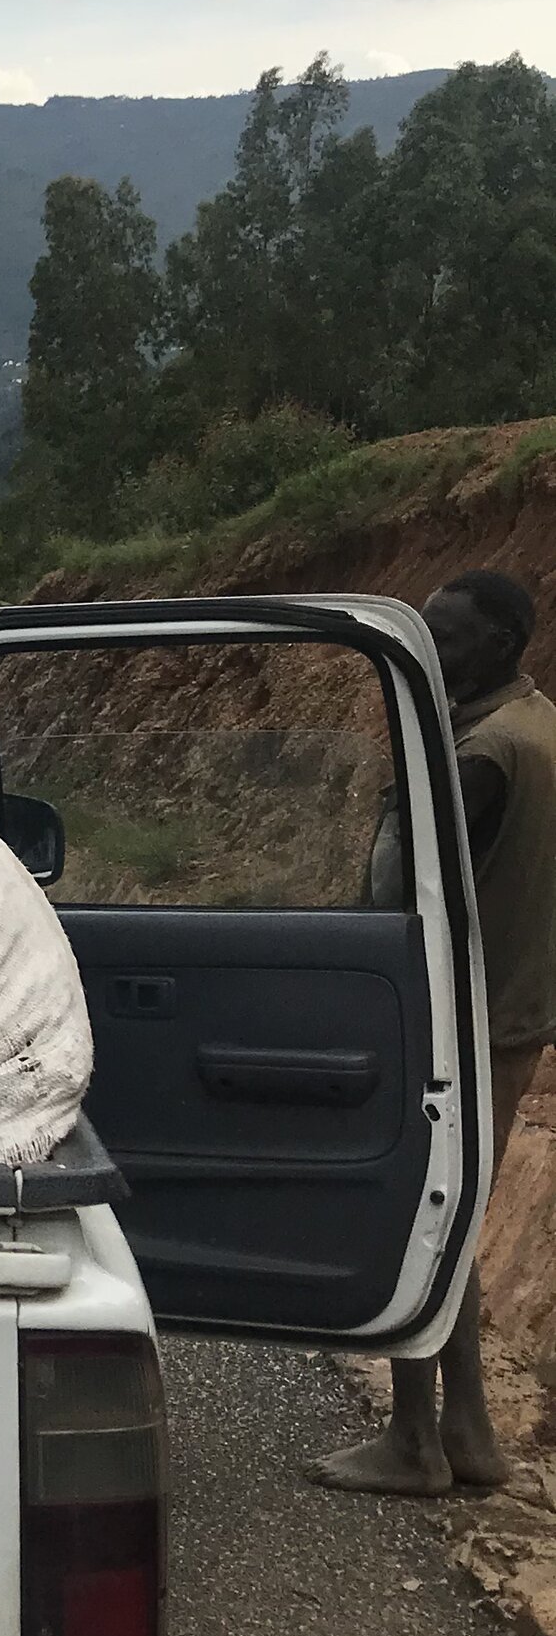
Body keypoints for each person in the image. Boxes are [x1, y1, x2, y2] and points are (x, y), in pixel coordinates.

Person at [314, 569, 556, 1496]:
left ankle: (415, 1441)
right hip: (512, 1010)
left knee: (420, 1218)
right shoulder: (534, 725)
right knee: (446, 1220)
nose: (433, 649)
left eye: (447, 637)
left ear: (498, 645)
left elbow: (392, 887)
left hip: (460, 1018)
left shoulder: (481, 755)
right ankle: (469, 1434)